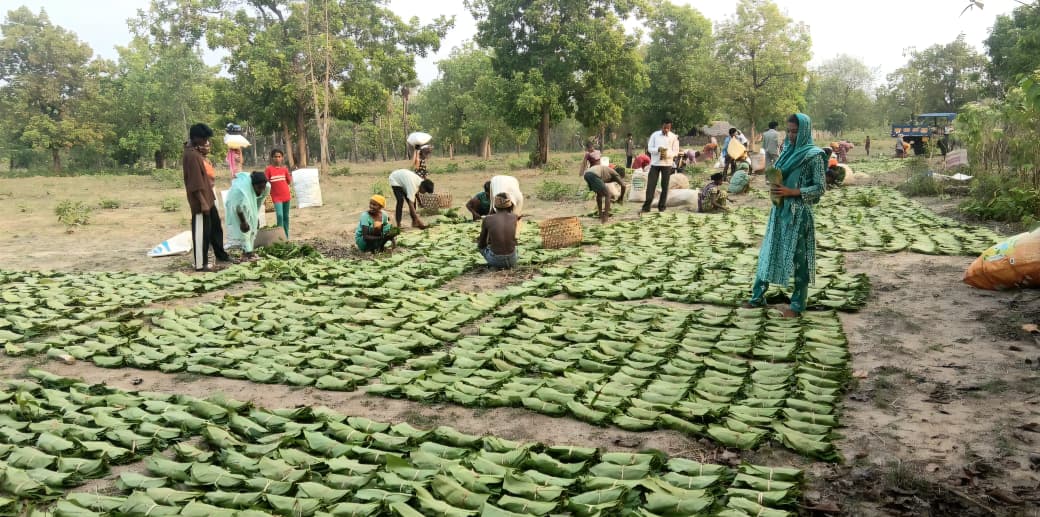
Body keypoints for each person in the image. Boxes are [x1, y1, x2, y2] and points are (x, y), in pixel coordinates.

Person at [744, 113, 826, 319]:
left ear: (805, 131)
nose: (791, 135)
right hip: (779, 211)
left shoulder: (814, 155)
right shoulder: (786, 151)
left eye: (795, 131)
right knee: (768, 251)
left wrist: (792, 192)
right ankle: (757, 297)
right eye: (788, 131)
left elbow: (820, 188)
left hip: (798, 214)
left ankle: (797, 304)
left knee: (799, 259)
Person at [183, 123, 231, 271]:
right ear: (196, 138)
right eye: (204, 138)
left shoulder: (196, 152)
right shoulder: (191, 155)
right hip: (200, 201)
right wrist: (203, 203)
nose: (206, 141)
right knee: (202, 232)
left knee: (215, 228)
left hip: (209, 197)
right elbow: (195, 183)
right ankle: (200, 264)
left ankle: (221, 255)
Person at [225, 171, 271, 262]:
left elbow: (258, 202)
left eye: (263, 188)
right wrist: (243, 222)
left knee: (252, 226)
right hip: (235, 204)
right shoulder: (241, 191)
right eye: (259, 188)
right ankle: (248, 253)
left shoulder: (267, 187)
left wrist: (255, 217)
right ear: (252, 185)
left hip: (245, 202)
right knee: (245, 229)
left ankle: (249, 251)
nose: (261, 190)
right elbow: (238, 207)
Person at [643, 118, 680, 212]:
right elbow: (650, 148)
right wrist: (657, 150)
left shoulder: (673, 137)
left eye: (668, 128)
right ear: (661, 126)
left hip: (667, 164)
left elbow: (676, 152)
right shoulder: (655, 135)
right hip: (655, 164)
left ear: (670, 127)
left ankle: (662, 207)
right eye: (664, 128)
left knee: (665, 186)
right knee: (651, 185)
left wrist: (667, 154)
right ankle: (646, 207)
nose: (666, 130)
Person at [478, 193, 519, 269]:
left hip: (495, 261)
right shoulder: (514, 217)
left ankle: (496, 263)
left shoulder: (487, 219)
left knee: (482, 248)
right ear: (510, 205)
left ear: (495, 206)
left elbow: (481, 244)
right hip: (512, 259)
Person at [264, 148, 292, 238]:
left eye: (279, 156)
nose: (277, 158)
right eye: (275, 156)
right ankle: (280, 237)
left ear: (282, 158)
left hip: (286, 196)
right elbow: (266, 182)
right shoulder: (269, 169)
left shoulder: (284, 169)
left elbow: (288, 181)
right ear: (272, 158)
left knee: (286, 217)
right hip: (276, 197)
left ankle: (286, 237)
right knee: (280, 216)